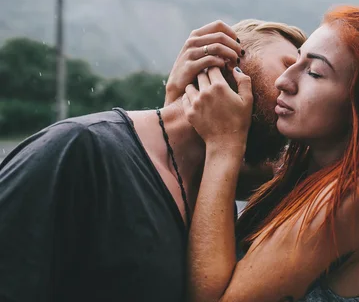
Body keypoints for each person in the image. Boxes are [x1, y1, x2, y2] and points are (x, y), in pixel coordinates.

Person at [0, 19, 306, 302]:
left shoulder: (216, 207)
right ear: (226, 61)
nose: (299, 87)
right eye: (288, 64)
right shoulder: (79, 148)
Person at [184, 6, 359, 302]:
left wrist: (224, 145)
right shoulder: (298, 173)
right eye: (295, 61)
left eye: (314, 72)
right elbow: (192, 187)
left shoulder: (356, 195)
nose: (283, 80)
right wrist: (177, 97)